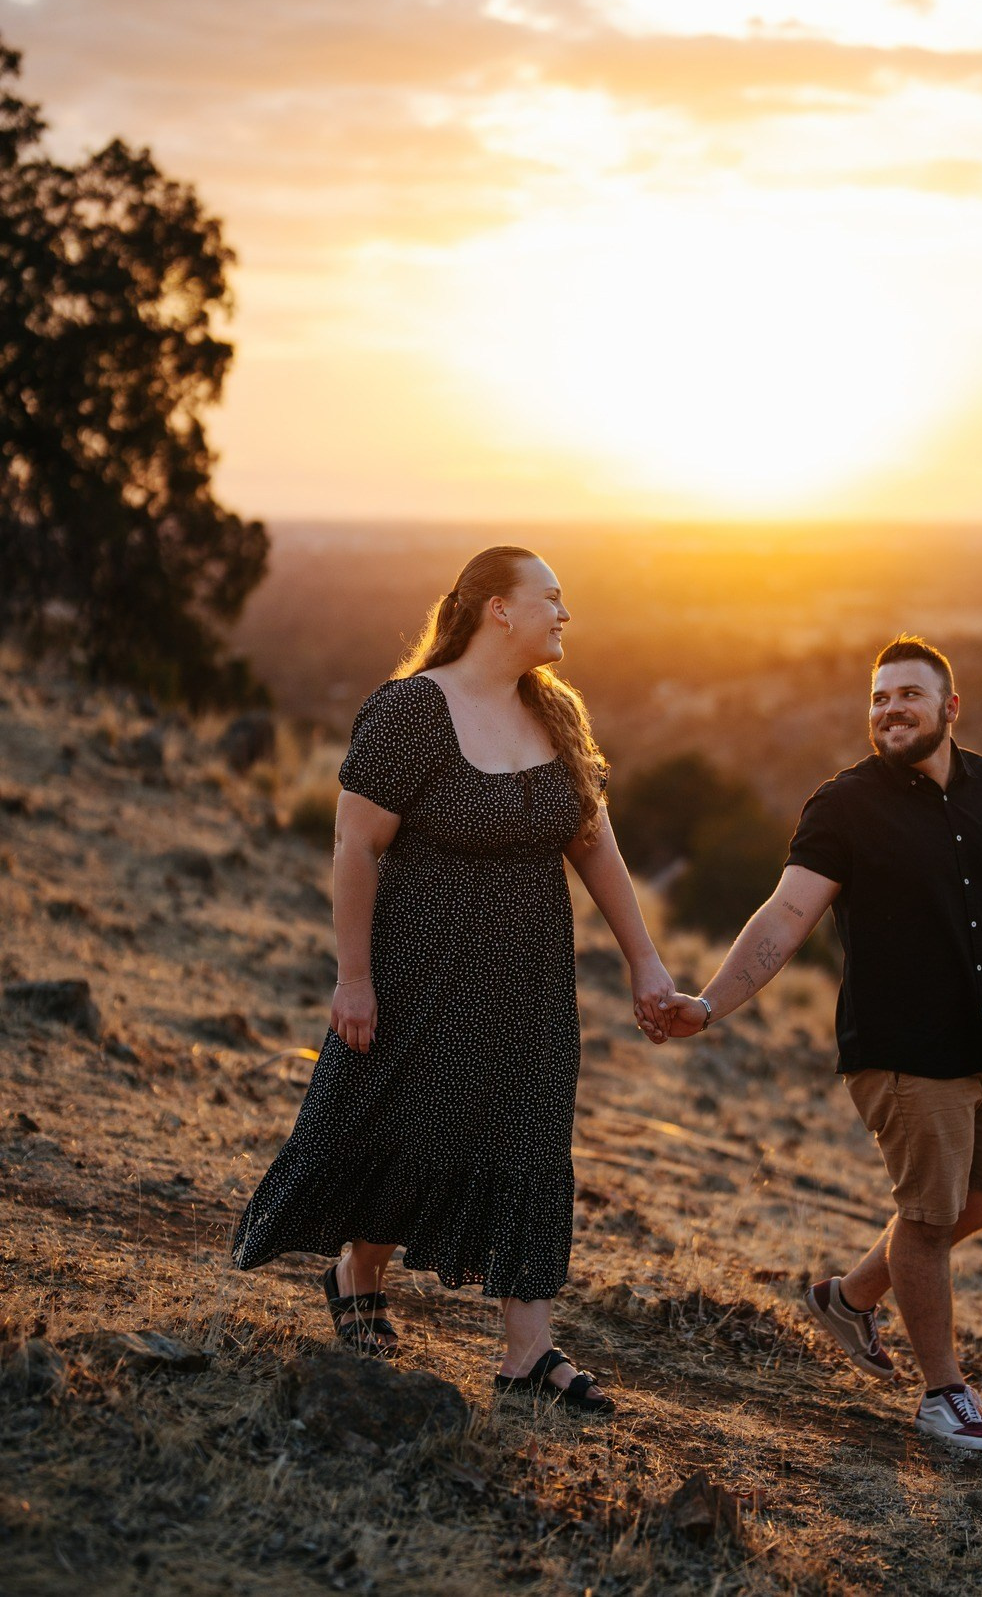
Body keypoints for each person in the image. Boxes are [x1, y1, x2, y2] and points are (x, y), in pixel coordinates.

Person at [232, 545, 674, 1415]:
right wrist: (353, 977)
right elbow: (354, 846)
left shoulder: (556, 714)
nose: (565, 613)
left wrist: (644, 959)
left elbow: (594, 846)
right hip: (420, 971)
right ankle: (357, 1274)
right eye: (551, 597)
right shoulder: (411, 711)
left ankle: (527, 1354)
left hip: (530, 983)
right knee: (407, 1126)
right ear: (497, 610)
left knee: (528, 1140)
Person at [656, 633, 982, 1456]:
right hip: (902, 1050)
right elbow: (785, 915)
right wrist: (710, 1004)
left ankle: (848, 1298)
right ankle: (941, 1395)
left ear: (949, 708)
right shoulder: (845, 805)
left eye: (907, 695)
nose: (889, 709)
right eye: (878, 697)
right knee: (927, 1221)